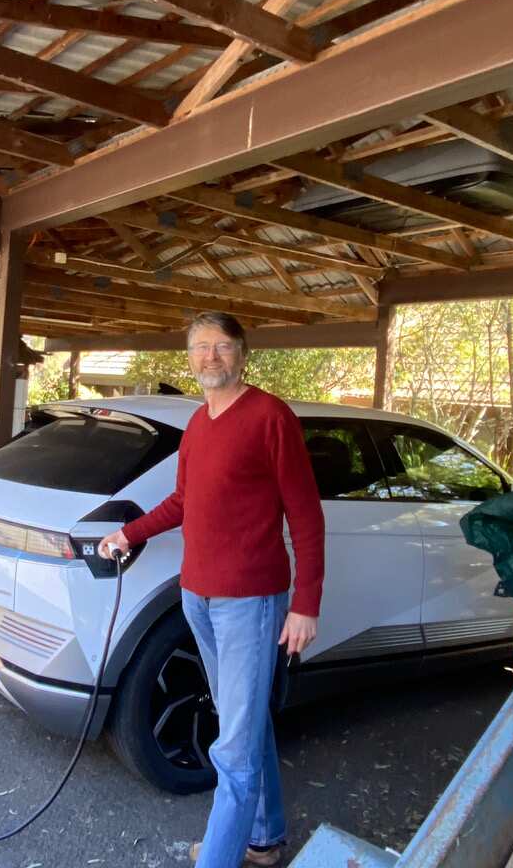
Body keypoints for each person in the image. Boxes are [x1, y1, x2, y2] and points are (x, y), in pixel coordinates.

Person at [99, 312, 324, 868]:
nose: (210, 357)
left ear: (243, 353)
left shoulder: (271, 417)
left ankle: (219, 857)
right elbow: (183, 501)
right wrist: (128, 533)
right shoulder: (199, 423)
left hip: (250, 601)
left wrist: (305, 603)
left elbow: (305, 515)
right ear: (190, 357)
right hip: (197, 597)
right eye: (200, 347)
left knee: (235, 748)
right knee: (244, 727)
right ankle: (266, 841)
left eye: (221, 346)